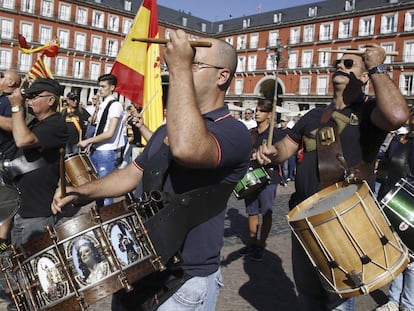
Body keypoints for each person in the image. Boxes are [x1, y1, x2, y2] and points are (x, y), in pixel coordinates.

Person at [51, 29, 251, 311]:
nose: (185, 64)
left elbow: (187, 149)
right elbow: (132, 173)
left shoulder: (233, 131)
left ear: (222, 76)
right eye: (187, 61)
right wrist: (82, 192)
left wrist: (179, 67)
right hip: (138, 267)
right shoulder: (165, 131)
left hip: (183, 281)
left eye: (196, 62)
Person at [256, 43, 409, 311]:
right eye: (337, 63)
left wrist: (377, 67)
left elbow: (397, 115)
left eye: (349, 64)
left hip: (344, 217)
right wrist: (271, 152)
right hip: (305, 215)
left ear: (364, 77)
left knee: (337, 300)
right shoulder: (313, 115)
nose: (340, 66)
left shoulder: (370, 110)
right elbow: (285, 150)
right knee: (308, 297)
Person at [6, 78, 68, 248]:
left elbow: (23, 140)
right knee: (20, 266)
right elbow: (17, 127)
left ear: (51, 100)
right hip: (22, 209)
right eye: (28, 96)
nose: (29, 100)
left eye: (34, 96)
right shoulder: (36, 122)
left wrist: (17, 106)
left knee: (38, 264)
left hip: (38, 212)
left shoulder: (56, 124)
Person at [375, 109, 414, 311]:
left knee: (413, 259)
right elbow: (384, 165)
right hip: (393, 199)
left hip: (412, 203)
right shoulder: (400, 139)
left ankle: (408, 305)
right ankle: (392, 300)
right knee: (397, 253)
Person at [239, 99, 285, 261]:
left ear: (269, 115)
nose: (257, 113)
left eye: (261, 111)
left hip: (269, 178)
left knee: (266, 212)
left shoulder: (278, 134)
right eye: (256, 110)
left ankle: (261, 244)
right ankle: (252, 243)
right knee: (252, 211)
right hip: (252, 177)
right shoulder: (251, 133)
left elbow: (282, 155)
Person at [78, 74, 125, 208]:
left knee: (105, 192)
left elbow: (109, 133)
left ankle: (107, 221)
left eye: (103, 86)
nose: (100, 89)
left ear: (112, 88)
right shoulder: (103, 105)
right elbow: (99, 127)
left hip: (107, 152)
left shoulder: (115, 105)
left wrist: (88, 141)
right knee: (98, 191)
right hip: (97, 150)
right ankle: (101, 218)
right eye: (99, 86)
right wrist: (92, 144)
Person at [0, 70, 21, 250]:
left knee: (5, 198)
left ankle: (2, 241)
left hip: (4, 156)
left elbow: (14, 125)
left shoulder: (9, 102)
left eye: (2, 76)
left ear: (10, 82)